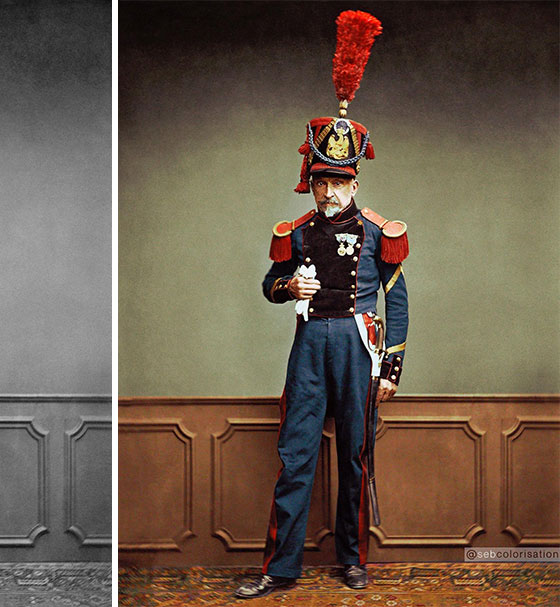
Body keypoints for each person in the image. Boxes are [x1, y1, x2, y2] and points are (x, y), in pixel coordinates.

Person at [235, 10, 408, 599]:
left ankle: (353, 561)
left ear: (355, 181)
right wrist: (287, 289)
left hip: (359, 345)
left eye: (340, 180)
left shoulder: (383, 232)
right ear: (310, 180)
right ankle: (278, 569)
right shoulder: (298, 229)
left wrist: (391, 368)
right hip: (309, 347)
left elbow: (398, 298)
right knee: (295, 459)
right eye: (321, 180)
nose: (330, 190)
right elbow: (268, 284)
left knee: (356, 460)